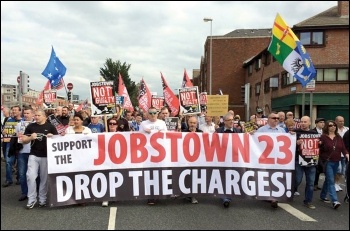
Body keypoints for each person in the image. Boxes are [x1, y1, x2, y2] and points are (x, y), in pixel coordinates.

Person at [20, 109, 58, 209]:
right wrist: (30, 138)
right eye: (35, 115)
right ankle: (31, 199)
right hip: (34, 155)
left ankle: (42, 200)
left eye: (38, 115)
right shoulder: (31, 126)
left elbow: (59, 140)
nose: (36, 117)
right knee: (31, 177)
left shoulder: (50, 126)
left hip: (46, 156)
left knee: (44, 179)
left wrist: (53, 137)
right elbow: (23, 140)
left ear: (44, 117)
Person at [256, 112, 286, 208]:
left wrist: (292, 136)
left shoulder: (282, 131)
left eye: (277, 118)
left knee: (276, 176)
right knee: (267, 177)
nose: (276, 119)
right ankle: (270, 196)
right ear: (268, 119)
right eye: (274, 118)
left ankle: (274, 196)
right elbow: (254, 143)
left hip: (277, 159)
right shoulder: (261, 130)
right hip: (265, 159)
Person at [139, 107, 167, 205]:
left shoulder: (162, 123)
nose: (153, 114)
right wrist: (143, 132)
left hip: (160, 153)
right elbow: (138, 138)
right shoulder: (143, 124)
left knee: (159, 173)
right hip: (148, 154)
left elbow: (167, 136)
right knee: (149, 175)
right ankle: (150, 196)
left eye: (154, 113)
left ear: (157, 113)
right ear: (147, 114)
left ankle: (159, 193)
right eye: (150, 113)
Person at [319, 120, 349, 209]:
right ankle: (335, 201)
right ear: (327, 127)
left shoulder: (338, 137)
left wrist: (347, 155)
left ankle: (322, 195)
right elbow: (319, 149)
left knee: (328, 179)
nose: (333, 127)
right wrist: (319, 144)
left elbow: (343, 148)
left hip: (337, 161)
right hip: (327, 162)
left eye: (334, 125)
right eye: (330, 125)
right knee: (331, 181)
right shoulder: (323, 137)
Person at [215, 112, 241, 208]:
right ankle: (225, 198)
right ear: (225, 121)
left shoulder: (238, 131)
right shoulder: (218, 131)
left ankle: (228, 195)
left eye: (232, 120)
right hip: (221, 158)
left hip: (234, 158)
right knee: (223, 178)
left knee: (231, 177)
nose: (231, 122)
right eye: (229, 120)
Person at [294, 116, 319, 209]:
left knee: (310, 182)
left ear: (309, 123)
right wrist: (296, 142)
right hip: (298, 160)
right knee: (297, 180)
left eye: (305, 122)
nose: (303, 123)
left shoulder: (314, 133)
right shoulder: (295, 132)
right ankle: (291, 191)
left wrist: (319, 143)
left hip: (311, 161)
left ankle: (308, 201)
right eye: (302, 122)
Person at [181, 116, 202, 204]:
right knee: (187, 176)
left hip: (197, 158)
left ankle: (193, 195)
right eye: (191, 123)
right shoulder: (183, 132)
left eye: (194, 123)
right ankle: (186, 193)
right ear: (188, 123)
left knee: (195, 176)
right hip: (185, 158)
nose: (192, 125)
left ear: (197, 124)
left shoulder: (201, 133)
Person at [16, 106, 34, 201]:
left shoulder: (36, 124)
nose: (26, 115)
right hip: (22, 152)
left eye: (28, 113)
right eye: (25, 113)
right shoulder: (19, 124)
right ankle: (25, 192)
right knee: (22, 174)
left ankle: (36, 191)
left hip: (34, 152)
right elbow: (17, 137)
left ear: (32, 114)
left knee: (35, 174)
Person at [2, 105, 23, 187]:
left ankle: (19, 178)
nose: (14, 111)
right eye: (13, 110)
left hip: (20, 144)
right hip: (10, 143)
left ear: (20, 111)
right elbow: (4, 131)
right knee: (8, 162)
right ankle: (8, 180)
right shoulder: (9, 120)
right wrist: (4, 131)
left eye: (15, 110)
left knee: (20, 162)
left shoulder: (23, 121)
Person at [334, 116, 349, 192]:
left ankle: (337, 183)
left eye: (343, 121)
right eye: (340, 121)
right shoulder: (334, 130)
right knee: (338, 169)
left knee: (343, 170)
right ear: (336, 122)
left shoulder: (347, 129)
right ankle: (334, 184)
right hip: (336, 154)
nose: (342, 122)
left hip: (345, 154)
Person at [312, 118, 325, 191]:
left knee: (319, 169)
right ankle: (314, 184)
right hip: (315, 152)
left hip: (323, 152)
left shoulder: (325, 132)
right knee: (316, 168)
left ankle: (316, 183)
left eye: (323, 122)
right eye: (321, 122)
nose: (322, 123)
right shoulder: (313, 131)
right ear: (316, 123)